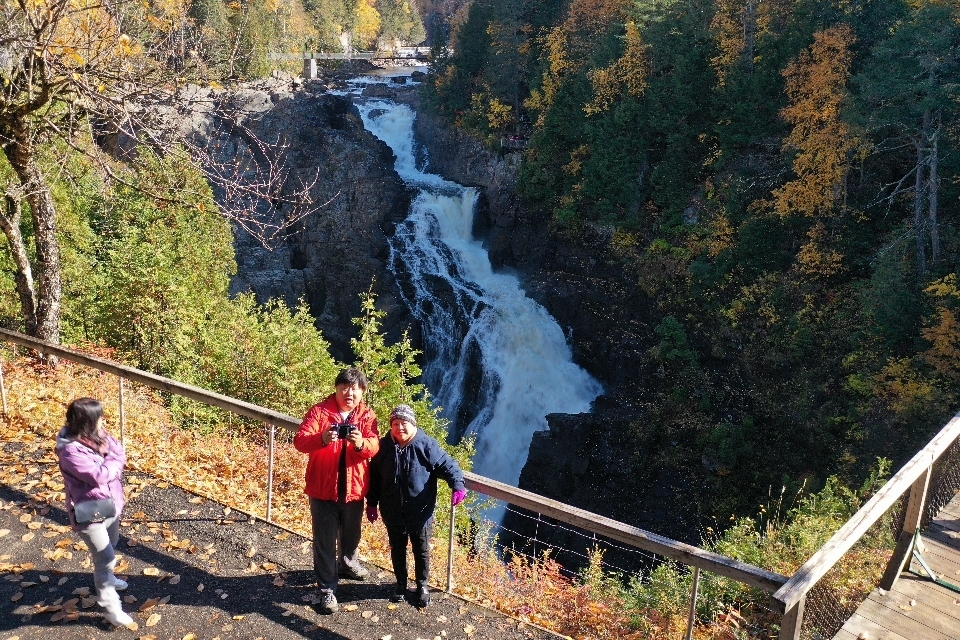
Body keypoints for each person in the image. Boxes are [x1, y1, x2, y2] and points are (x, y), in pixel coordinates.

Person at [294, 367, 380, 614]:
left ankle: (348, 563)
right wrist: (322, 438)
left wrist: (360, 443)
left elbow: (375, 445)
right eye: (344, 387)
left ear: (362, 392)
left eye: (354, 388)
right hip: (323, 490)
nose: (348, 393)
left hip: (354, 489)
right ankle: (327, 590)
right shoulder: (320, 412)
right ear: (336, 388)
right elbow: (300, 441)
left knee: (352, 535)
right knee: (324, 540)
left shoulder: (367, 416)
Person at [366, 404, 467, 608]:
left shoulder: (426, 445)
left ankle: (422, 586)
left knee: (421, 551)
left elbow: (448, 465)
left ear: (413, 424)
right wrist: (372, 504)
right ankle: (401, 585)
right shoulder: (383, 446)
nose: (399, 428)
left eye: (404, 423)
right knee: (397, 549)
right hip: (392, 512)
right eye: (395, 423)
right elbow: (375, 478)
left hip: (420, 513)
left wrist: (457, 485)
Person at [55, 397, 133, 627]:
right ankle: (111, 607)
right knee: (105, 557)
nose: (103, 421)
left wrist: (113, 460)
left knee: (114, 541)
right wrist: (116, 462)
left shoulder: (98, 435)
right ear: (87, 422)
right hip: (88, 510)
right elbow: (99, 476)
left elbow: (118, 450)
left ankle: (107, 577)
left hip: (110, 503)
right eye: (99, 417)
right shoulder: (70, 451)